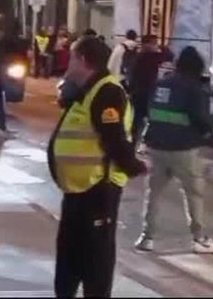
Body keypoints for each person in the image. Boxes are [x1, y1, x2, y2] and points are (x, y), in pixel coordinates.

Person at [48, 35, 147, 298]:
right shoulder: (88, 90)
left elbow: (113, 137)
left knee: (96, 262)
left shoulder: (107, 91)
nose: (67, 63)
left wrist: (132, 166)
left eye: (71, 58)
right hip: (78, 191)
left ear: (82, 60)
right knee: (70, 256)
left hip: (98, 189)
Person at [134, 46, 213, 254]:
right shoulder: (194, 89)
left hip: (156, 146)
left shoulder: (161, 85)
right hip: (182, 148)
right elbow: (200, 118)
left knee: (153, 193)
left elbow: (149, 110)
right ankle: (199, 238)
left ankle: (147, 238)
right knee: (193, 193)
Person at [128, 35, 173, 147]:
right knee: (152, 121)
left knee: (138, 123)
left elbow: (131, 76)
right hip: (151, 95)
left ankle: (136, 144)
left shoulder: (138, 57)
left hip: (140, 95)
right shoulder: (160, 57)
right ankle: (148, 143)